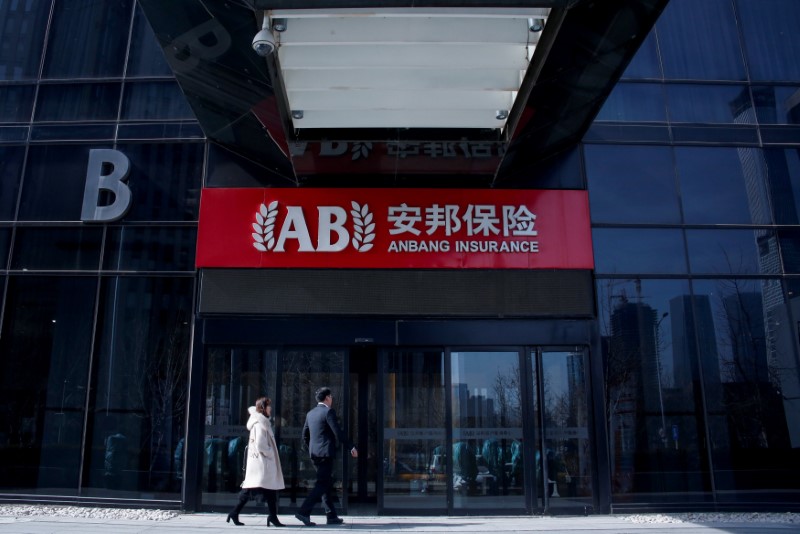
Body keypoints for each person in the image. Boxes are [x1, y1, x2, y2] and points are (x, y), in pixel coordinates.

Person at [294, 387, 357, 527]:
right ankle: (304, 512)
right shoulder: (328, 412)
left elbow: (305, 435)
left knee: (325, 483)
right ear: (327, 398)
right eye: (331, 397)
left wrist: (312, 447)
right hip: (325, 454)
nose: (332, 399)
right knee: (322, 484)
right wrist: (351, 447)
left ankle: (331, 516)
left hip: (314, 454)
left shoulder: (310, 413)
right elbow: (338, 432)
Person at [226, 396, 286, 527]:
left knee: (268, 490)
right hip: (262, 463)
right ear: (263, 408)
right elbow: (260, 444)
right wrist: (270, 453)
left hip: (260, 463)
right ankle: (236, 512)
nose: (271, 408)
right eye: (269, 406)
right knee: (253, 490)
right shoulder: (260, 423)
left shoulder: (261, 422)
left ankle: (272, 517)